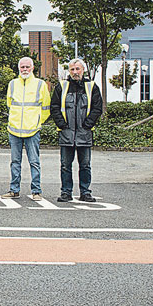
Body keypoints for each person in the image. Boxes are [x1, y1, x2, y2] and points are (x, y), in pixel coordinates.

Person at [49, 58, 103, 203]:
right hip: (66, 133)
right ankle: (66, 192)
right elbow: (54, 106)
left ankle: (85, 192)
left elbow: (97, 107)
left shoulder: (91, 86)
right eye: (72, 69)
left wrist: (87, 124)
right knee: (65, 165)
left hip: (84, 133)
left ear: (83, 70)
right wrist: (62, 124)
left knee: (85, 165)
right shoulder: (62, 86)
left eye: (77, 69)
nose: (75, 72)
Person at [4, 56, 50, 201]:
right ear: (19, 68)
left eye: (27, 67)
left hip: (33, 130)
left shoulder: (40, 85)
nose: (24, 69)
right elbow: (9, 104)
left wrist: (37, 122)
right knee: (15, 162)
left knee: (34, 162)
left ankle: (36, 191)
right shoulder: (12, 84)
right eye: (22, 67)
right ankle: (14, 190)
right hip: (14, 130)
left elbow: (46, 108)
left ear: (32, 68)